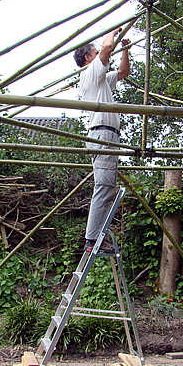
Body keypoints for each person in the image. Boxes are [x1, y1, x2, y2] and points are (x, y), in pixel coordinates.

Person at [74, 27, 131, 251]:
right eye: (95, 52)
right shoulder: (90, 74)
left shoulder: (101, 81)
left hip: (106, 133)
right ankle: (93, 238)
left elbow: (123, 72)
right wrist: (112, 31)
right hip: (102, 133)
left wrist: (125, 50)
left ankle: (95, 236)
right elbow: (108, 47)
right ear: (88, 57)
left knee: (107, 185)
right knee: (104, 186)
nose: (101, 54)